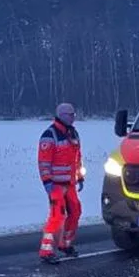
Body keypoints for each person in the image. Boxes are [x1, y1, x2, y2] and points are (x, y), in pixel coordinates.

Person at [38, 103, 85, 264]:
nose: (73, 118)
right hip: (56, 184)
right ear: (63, 115)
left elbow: (77, 159)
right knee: (57, 216)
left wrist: (79, 176)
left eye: (74, 115)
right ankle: (46, 250)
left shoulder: (72, 134)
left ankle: (65, 244)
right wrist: (47, 182)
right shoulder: (50, 135)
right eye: (71, 115)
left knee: (75, 211)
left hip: (69, 183)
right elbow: (44, 162)